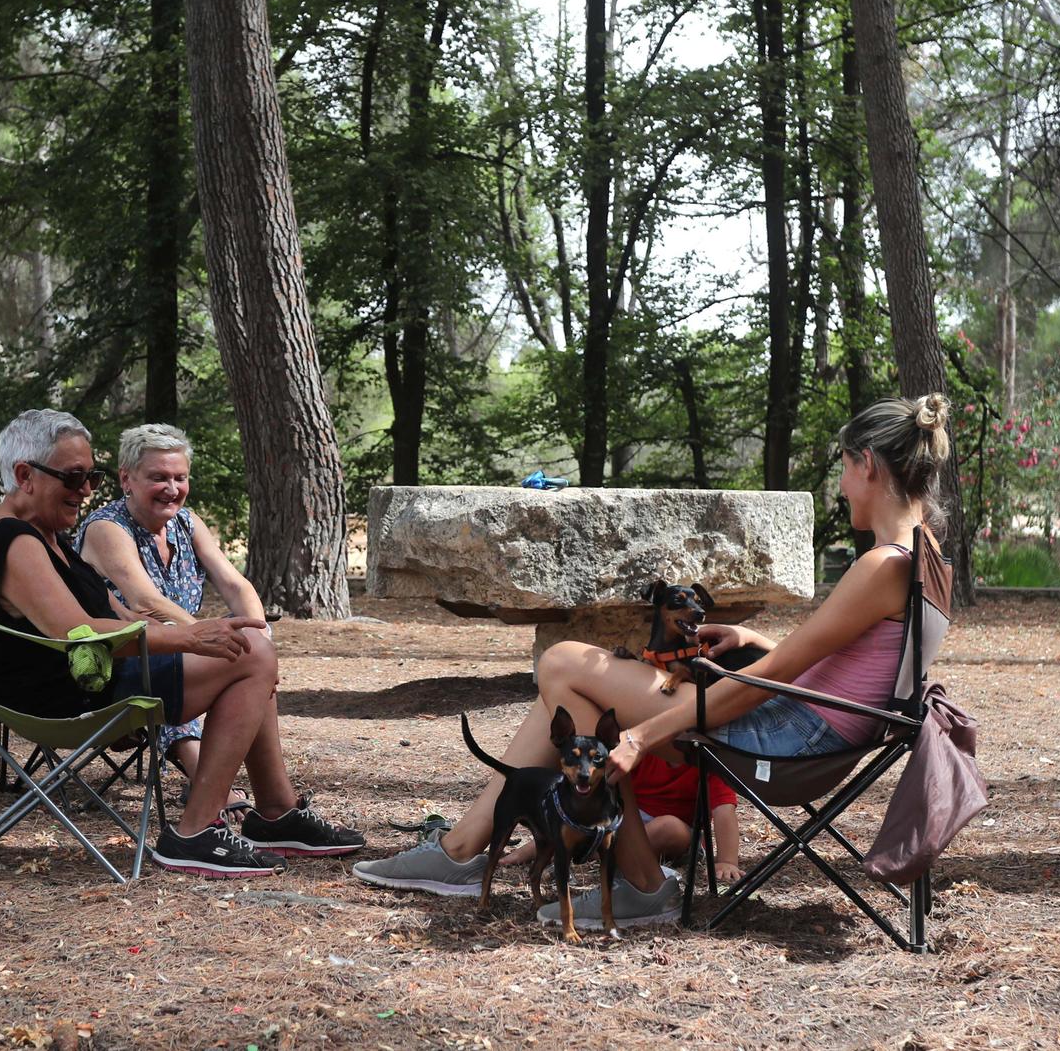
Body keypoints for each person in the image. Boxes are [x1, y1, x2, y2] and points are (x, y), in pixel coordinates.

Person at [352, 394, 954, 928]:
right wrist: (754, 637)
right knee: (571, 691)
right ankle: (481, 851)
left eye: (844, 471)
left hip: (788, 739)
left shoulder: (883, 565)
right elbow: (864, 666)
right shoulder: (926, 559)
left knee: (563, 664)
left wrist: (645, 733)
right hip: (817, 728)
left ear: (867, 464)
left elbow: (768, 682)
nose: (842, 487)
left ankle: (536, 865)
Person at [0, 408, 364, 877]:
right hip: (68, 694)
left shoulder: (45, 534)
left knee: (250, 652)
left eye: (90, 476)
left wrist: (200, 635)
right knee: (252, 656)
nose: (87, 490)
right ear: (24, 475)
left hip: (88, 679)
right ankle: (197, 833)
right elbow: (77, 633)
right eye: (73, 478)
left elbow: (117, 613)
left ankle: (275, 813)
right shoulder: (14, 541)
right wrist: (188, 636)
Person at [77, 424, 265, 814]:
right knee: (234, 658)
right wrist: (206, 636)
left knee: (256, 653)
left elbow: (234, 584)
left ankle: (254, 795)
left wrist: (259, 633)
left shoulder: (188, 523)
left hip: (185, 647)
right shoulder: (106, 528)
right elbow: (145, 601)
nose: (172, 488)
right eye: (158, 478)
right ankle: (212, 784)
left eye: (180, 477)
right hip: (122, 657)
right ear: (126, 478)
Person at [498, 751, 743, 884]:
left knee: (669, 827)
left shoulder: (707, 761)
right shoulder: (644, 752)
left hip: (678, 831)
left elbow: (724, 811)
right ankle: (535, 848)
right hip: (628, 823)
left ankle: (589, 851)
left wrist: (727, 860)